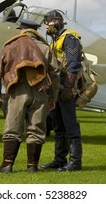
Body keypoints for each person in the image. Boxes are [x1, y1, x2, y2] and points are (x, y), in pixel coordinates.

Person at [0, 19, 60, 173]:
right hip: (41, 91)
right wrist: (52, 98)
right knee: (36, 129)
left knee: (13, 128)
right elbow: (55, 74)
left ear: (21, 29)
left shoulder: (10, 46)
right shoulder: (45, 47)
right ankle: (32, 166)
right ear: (35, 30)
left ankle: (7, 164)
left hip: (18, 91)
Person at [40, 10, 83, 172]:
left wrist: (68, 89)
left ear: (56, 22)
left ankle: (75, 162)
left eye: (48, 22)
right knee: (58, 125)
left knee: (70, 124)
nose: (46, 26)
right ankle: (59, 159)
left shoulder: (69, 38)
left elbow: (73, 65)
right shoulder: (55, 40)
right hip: (57, 87)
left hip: (66, 86)